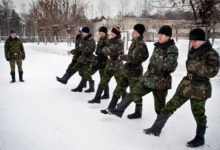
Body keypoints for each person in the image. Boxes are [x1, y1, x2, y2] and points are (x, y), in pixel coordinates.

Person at [143, 28, 220, 148]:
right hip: (186, 85)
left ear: (203, 40)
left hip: (200, 88)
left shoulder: (212, 54)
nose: (193, 43)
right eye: (192, 40)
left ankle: (200, 138)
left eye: (195, 41)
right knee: (170, 106)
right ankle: (155, 129)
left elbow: (213, 72)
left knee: (198, 113)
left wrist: (196, 66)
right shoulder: (193, 50)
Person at [110, 25, 178, 118]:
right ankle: (118, 110)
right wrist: (146, 74)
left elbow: (170, 66)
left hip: (161, 81)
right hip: (149, 77)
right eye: (159, 34)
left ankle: (156, 127)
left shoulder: (172, 49)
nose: (159, 36)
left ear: (168, 36)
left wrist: (127, 58)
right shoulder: (157, 46)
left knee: (159, 108)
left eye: (162, 35)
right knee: (134, 93)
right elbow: (151, 61)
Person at [100, 24, 149, 119]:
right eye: (133, 31)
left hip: (135, 72)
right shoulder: (135, 42)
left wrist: (121, 57)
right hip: (127, 70)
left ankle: (138, 112)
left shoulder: (141, 44)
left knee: (135, 93)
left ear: (139, 33)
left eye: (135, 32)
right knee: (118, 88)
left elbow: (133, 57)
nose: (132, 33)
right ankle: (110, 108)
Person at [88, 26, 124, 104]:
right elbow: (106, 49)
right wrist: (104, 50)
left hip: (117, 66)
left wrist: (104, 50)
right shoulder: (111, 40)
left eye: (113, 32)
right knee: (103, 81)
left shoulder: (119, 42)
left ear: (116, 34)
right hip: (110, 65)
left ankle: (124, 100)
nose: (111, 33)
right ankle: (97, 98)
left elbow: (110, 50)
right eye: (111, 32)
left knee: (120, 84)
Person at [73, 26, 110, 97]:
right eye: (99, 32)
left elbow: (107, 51)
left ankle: (106, 94)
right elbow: (98, 49)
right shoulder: (101, 39)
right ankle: (80, 87)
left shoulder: (107, 40)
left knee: (103, 78)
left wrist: (100, 52)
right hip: (97, 60)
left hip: (103, 62)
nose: (100, 33)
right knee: (87, 73)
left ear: (104, 32)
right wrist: (98, 51)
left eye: (101, 32)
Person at [56, 27, 96, 92]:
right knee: (76, 70)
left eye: (83, 32)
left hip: (87, 60)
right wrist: (78, 50)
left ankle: (88, 87)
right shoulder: (83, 39)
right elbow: (80, 48)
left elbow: (90, 49)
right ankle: (67, 80)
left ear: (87, 32)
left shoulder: (91, 40)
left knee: (85, 73)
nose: (82, 33)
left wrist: (82, 49)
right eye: (82, 32)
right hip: (81, 58)